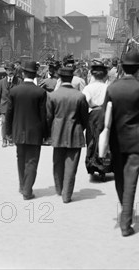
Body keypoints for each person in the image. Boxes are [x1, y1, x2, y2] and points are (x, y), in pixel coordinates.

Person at [102, 50, 139, 237]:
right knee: (131, 181)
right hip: (137, 140)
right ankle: (126, 222)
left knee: (120, 179)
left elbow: (104, 117)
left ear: (122, 67)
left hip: (116, 141)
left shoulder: (112, 88)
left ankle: (126, 212)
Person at [6, 60, 47, 200]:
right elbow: (44, 116)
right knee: (32, 161)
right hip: (35, 133)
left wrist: (8, 132)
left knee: (20, 158)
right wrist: (46, 134)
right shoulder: (40, 92)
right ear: (35, 74)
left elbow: (9, 113)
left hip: (18, 131)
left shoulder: (14, 91)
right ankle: (27, 191)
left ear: (23, 74)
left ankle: (22, 185)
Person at [47, 65, 89, 203]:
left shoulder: (53, 96)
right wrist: (78, 127)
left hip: (57, 132)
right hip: (75, 133)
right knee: (71, 166)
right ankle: (67, 195)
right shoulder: (80, 96)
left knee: (57, 162)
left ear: (59, 78)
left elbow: (48, 117)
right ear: (72, 78)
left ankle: (59, 189)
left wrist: (50, 132)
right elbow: (84, 119)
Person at [83, 59, 110, 178]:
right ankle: (104, 166)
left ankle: (92, 165)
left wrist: (93, 105)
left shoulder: (88, 88)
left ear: (92, 74)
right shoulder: (108, 87)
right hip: (106, 114)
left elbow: (86, 101)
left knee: (91, 140)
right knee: (105, 140)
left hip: (93, 115)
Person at [0, 62, 17, 147]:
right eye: (8, 70)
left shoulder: (18, 81)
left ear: (14, 71)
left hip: (14, 106)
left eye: (12, 70)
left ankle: (11, 139)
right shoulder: (1, 82)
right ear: (6, 71)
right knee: (4, 122)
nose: (10, 72)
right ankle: (4, 140)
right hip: (4, 105)